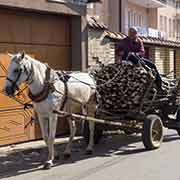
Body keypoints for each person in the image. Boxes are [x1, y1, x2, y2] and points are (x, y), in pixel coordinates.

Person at [116, 27, 163, 91]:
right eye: (130, 33)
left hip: (139, 59)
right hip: (127, 60)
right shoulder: (124, 41)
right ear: (128, 34)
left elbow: (142, 52)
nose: (132, 35)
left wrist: (135, 54)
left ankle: (159, 84)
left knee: (152, 65)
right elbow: (118, 51)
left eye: (133, 33)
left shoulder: (139, 41)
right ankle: (142, 66)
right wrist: (121, 54)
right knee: (131, 56)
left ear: (136, 34)